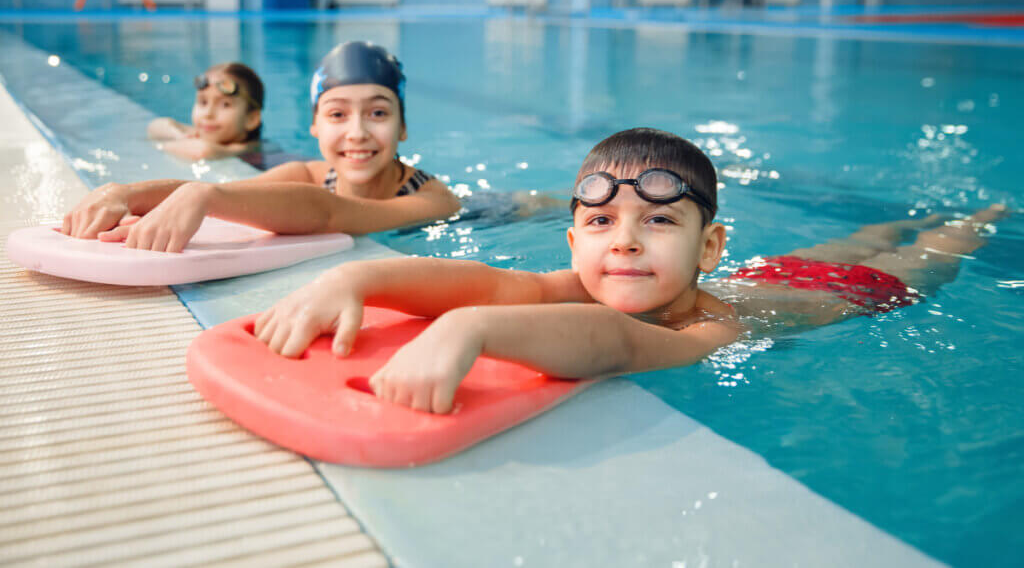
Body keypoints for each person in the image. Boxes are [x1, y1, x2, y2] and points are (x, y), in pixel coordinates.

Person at [253, 127, 1007, 414]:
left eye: (659, 221)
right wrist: (352, 280)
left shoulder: (713, 322)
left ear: (708, 248)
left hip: (867, 297)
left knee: (929, 250)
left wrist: (473, 331)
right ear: (574, 243)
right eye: (603, 223)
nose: (627, 243)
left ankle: (985, 215)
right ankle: (912, 216)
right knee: (867, 232)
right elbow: (487, 282)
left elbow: (615, 344)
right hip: (781, 265)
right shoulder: (585, 280)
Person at [62, 41, 460, 251]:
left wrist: (204, 195)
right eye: (337, 115)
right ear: (315, 127)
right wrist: (125, 195)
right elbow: (234, 197)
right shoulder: (308, 174)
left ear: (403, 126)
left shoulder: (435, 202)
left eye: (378, 114)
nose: (356, 132)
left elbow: (329, 214)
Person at [147, 62, 265, 161]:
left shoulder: (248, 148)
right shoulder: (204, 131)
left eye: (225, 105)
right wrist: (180, 135)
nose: (208, 114)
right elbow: (156, 126)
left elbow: (203, 151)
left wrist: (163, 146)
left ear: (251, 119)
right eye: (203, 102)